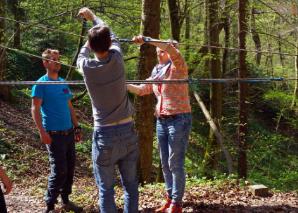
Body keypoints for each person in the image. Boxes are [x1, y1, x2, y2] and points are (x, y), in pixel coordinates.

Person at [77, 8, 139, 213]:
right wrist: (93, 17)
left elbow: (83, 53)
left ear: (92, 46)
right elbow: (110, 34)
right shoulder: (118, 59)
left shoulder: (86, 66)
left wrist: (89, 41)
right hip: (127, 130)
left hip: (105, 134)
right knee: (130, 186)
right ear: (109, 44)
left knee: (106, 190)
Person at [127, 35, 192, 213]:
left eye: (162, 51)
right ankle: (170, 198)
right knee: (165, 163)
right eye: (157, 52)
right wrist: (123, 84)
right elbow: (142, 90)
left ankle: (177, 204)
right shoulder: (157, 71)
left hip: (179, 119)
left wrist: (147, 40)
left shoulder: (179, 66)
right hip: (162, 121)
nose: (159, 53)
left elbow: (171, 50)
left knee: (175, 162)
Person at [31, 49, 83, 213]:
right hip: (54, 135)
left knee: (69, 168)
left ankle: (66, 200)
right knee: (59, 170)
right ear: (45, 63)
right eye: (53, 59)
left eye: (58, 59)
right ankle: (50, 205)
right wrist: (42, 132)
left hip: (68, 133)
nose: (57, 62)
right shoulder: (41, 84)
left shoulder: (62, 82)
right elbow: (35, 108)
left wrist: (77, 126)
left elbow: (69, 106)